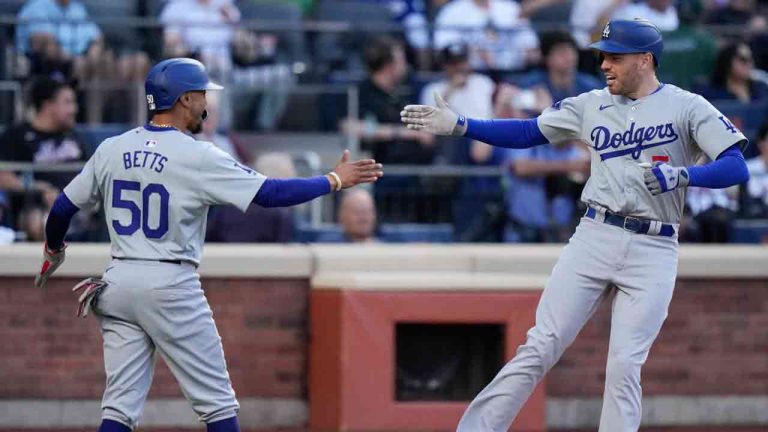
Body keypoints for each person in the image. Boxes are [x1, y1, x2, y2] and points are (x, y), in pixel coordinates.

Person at [401, 19, 750, 431]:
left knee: (624, 365)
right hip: (595, 233)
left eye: (615, 57)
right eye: (603, 55)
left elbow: (735, 165)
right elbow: (529, 131)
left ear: (646, 59)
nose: (604, 64)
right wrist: (464, 125)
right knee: (541, 345)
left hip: (655, 244)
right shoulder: (590, 104)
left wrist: (684, 176)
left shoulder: (687, 105)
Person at [33, 58, 383, 432]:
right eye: (201, 95)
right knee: (217, 405)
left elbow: (62, 208)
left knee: (119, 408)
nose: (205, 103)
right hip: (170, 283)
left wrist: (54, 251)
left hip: (117, 281)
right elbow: (270, 193)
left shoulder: (112, 148)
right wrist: (333, 179)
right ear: (183, 99)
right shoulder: (199, 155)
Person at [0, 77, 83, 223]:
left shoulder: (74, 135)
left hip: (81, 207)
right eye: (68, 102)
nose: (74, 109)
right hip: (37, 209)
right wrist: (38, 189)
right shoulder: (16, 135)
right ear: (48, 106)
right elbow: (3, 176)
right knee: (41, 220)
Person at [700, 42, 768, 103]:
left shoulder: (761, 88)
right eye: (743, 59)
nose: (749, 64)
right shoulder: (711, 93)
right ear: (727, 61)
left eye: (751, 59)